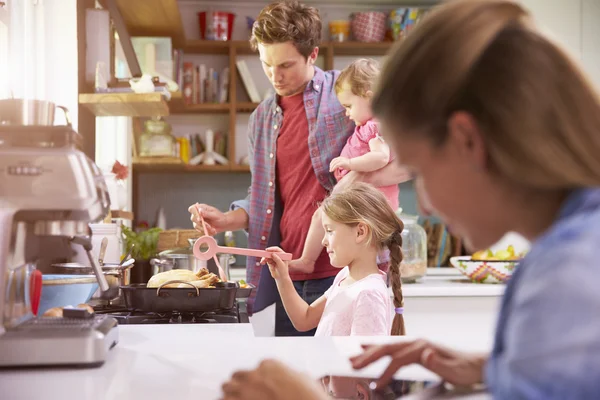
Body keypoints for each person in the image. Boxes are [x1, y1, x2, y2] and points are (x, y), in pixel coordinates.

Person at [221, 0, 600, 398]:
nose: (428, 204)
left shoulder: (567, 277)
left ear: (467, 142)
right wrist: (494, 367)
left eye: (419, 170)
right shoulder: (572, 247)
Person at [188, 0, 409, 336]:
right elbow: (265, 198)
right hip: (286, 274)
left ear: (312, 54)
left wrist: (358, 176)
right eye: (266, 64)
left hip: (344, 270)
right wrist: (227, 219)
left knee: (341, 382)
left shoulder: (346, 97)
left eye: (286, 65)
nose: (275, 76)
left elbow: (410, 158)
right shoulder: (261, 118)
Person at [289, 59, 399, 274]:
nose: (347, 113)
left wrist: (350, 164)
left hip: (368, 204)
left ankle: (307, 261)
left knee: (323, 218)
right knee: (323, 218)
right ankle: (307, 261)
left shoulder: (375, 128)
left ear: (369, 96)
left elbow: (380, 158)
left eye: (349, 106)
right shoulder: (367, 127)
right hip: (361, 200)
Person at [264, 182, 405, 336]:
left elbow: (363, 359)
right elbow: (304, 319)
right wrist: (282, 277)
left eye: (330, 231)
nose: (323, 241)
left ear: (360, 232)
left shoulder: (368, 295)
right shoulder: (345, 277)